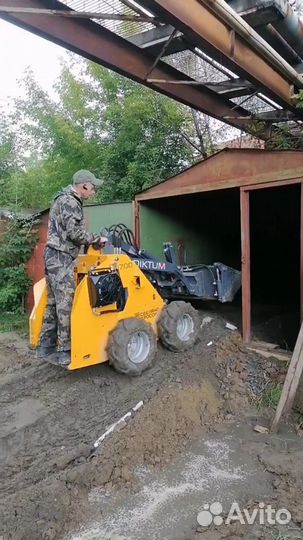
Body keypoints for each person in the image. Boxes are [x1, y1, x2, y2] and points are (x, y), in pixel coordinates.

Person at [37, 170, 107, 366]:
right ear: (84, 185)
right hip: (60, 258)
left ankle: (45, 346)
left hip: (54, 255)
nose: (93, 192)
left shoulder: (62, 199)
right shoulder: (70, 201)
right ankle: (65, 351)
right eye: (92, 188)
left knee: (52, 302)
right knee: (65, 304)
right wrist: (96, 239)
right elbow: (74, 232)